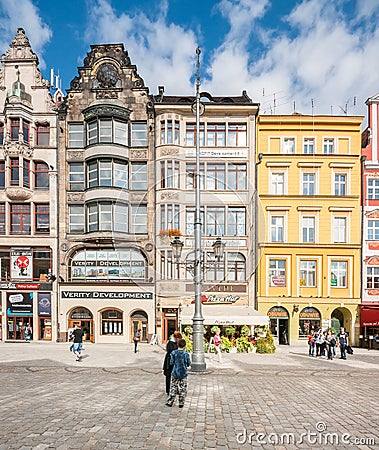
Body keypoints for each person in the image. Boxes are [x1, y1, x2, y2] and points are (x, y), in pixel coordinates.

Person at [166, 339, 191, 408]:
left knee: (173, 387)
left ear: (177, 344)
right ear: (185, 346)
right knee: (183, 388)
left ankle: (170, 402)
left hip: (175, 372)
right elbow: (189, 363)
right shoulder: (186, 354)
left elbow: (171, 362)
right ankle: (181, 403)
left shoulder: (173, 353)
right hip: (183, 373)